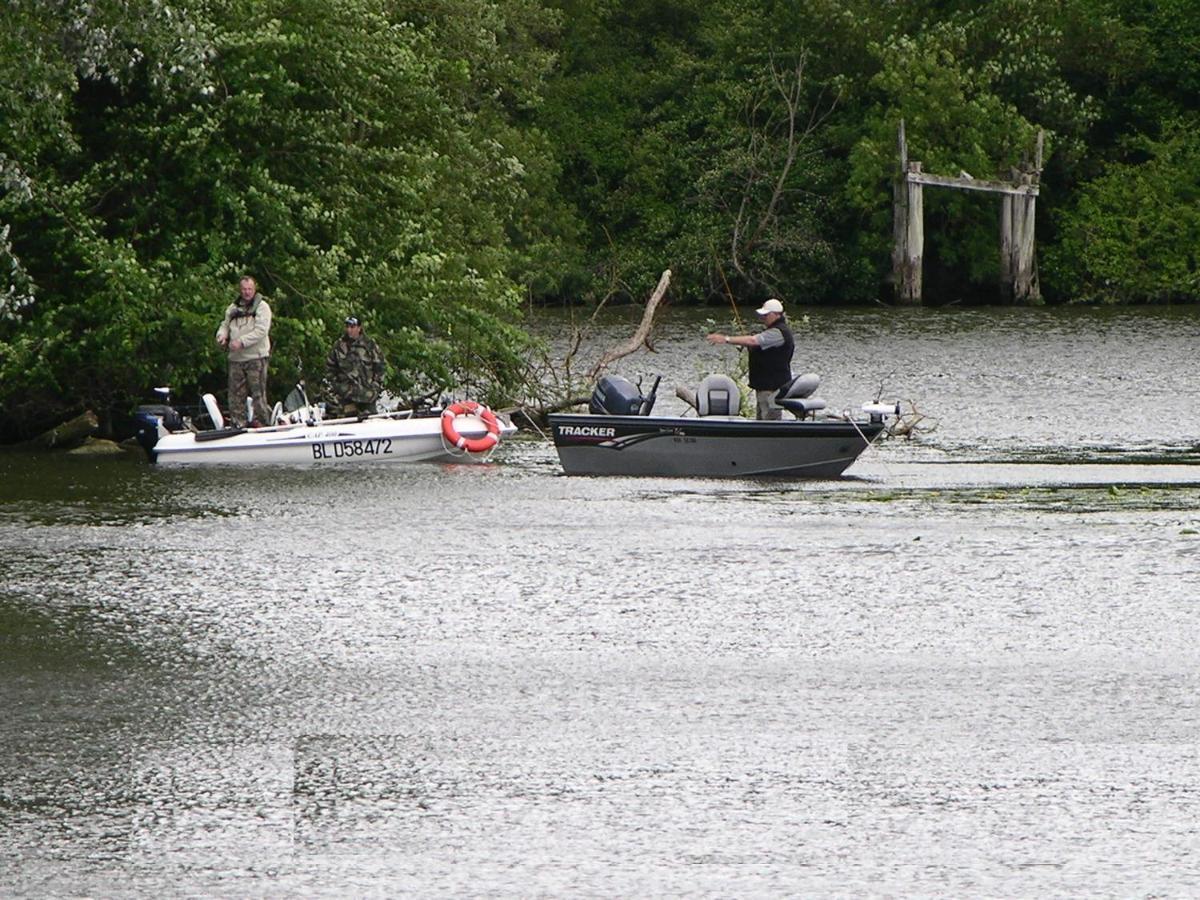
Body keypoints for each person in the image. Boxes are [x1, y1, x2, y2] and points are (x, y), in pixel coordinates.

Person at [706, 297, 795, 420]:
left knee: (770, 424)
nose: (763, 318)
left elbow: (753, 340)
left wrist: (726, 339)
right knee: (761, 422)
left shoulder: (778, 333)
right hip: (765, 387)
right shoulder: (773, 331)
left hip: (772, 389)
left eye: (766, 315)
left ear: (776, 315)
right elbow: (758, 345)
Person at [215, 275, 273, 427]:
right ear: (240, 290)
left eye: (250, 289)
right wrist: (222, 335)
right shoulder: (233, 308)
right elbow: (225, 325)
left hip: (256, 358)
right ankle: (238, 424)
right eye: (244, 289)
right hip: (236, 359)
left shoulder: (262, 307)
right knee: (235, 397)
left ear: (254, 290)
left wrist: (241, 342)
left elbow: (261, 331)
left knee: (258, 395)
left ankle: (264, 424)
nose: (247, 292)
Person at [325, 315, 387, 417]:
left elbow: (380, 367)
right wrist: (338, 387)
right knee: (349, 425)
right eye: (347, 327)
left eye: (352, 327)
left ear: (359, 328)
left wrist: (375, 387)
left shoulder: (369, 345)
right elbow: (330, 368)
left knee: (370, 425)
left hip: (367, 397)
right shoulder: (338, 346)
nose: (349, 330)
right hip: (347, 397)